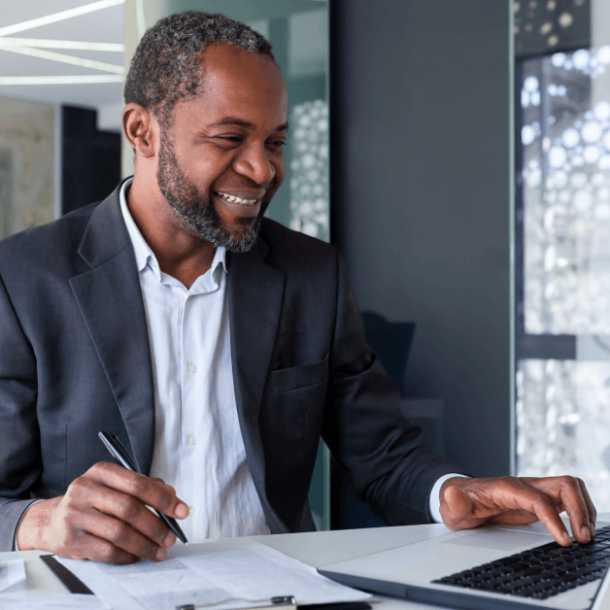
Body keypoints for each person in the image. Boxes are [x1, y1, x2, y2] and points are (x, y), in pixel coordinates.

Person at [0, 12, 596, 564]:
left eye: (275, 142)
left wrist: (454, 492)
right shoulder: (25, 278)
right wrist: (42, 524)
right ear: (142, 131)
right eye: (230, 138)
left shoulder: (312, 274)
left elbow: (383, 454)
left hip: (282, 593)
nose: (262, 170)